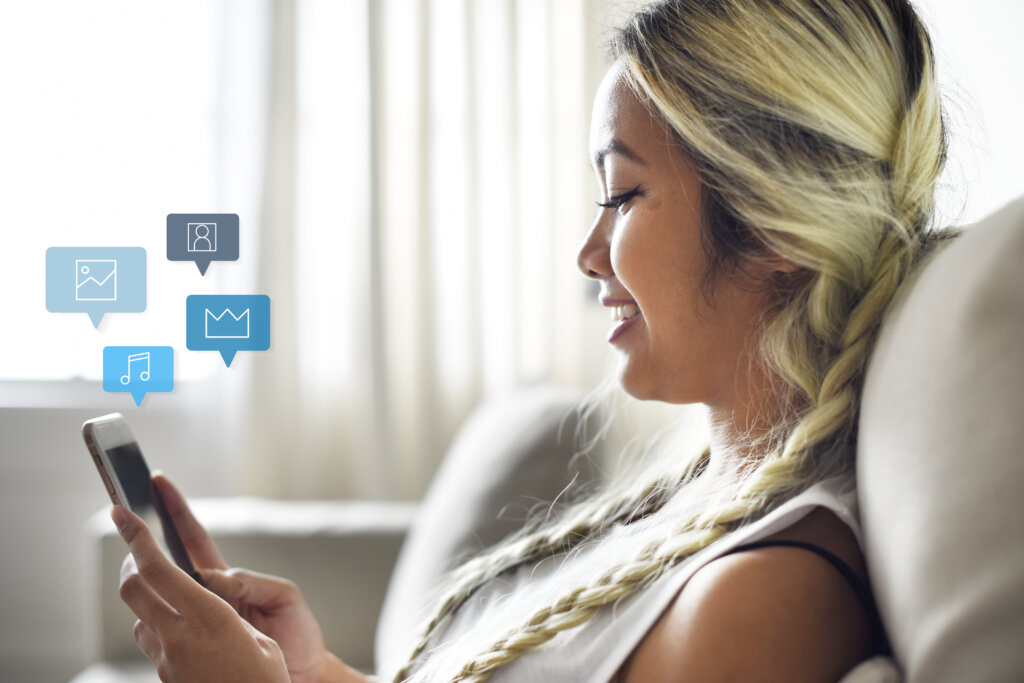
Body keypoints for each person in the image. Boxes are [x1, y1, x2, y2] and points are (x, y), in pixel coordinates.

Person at [111, 0, 956, 680]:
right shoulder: (705, 500)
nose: (589, 254)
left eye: (623, 194)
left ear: (776, 220)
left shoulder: (765, 599)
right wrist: (312, 672)